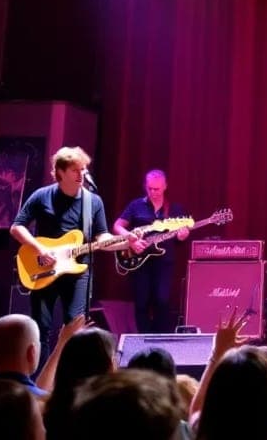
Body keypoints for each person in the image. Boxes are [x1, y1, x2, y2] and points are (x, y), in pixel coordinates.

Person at [10, 147, 119, 356]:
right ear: (60, 172)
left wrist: (126, 242)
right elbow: (17, 227)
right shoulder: (42, 196)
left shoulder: (93, 201)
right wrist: (40, 249)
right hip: (44, 268)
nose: (82, 174)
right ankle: (41, 373)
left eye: (84, 169)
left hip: (78, 271)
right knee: (40, 328)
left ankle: (69, 373)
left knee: (75, 329)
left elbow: (102, 238)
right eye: (75, 170)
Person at [113, 170, 190, 333]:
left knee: (162, 301)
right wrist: (131, 239)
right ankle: (143, 338)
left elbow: (181, 236)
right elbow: (117, 226)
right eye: (150, 189)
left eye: (157, 189)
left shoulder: (175, 210)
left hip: (164, 262)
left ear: (165, 187)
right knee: (141, 302)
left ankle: (159, 338)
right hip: (139, 261)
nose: (153, 192)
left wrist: (182, 236)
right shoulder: (136, 205)